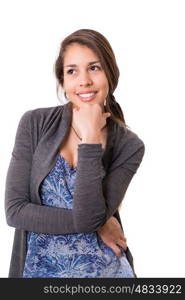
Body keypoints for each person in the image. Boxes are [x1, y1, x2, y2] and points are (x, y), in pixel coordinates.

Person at [5, 29, 145, 278]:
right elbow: (15, 211)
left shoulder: (129, 145)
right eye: (72, 71)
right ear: (62, 80)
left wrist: (90, 138)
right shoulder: (35, 123)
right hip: (36, 273)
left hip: (104, 273)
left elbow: (88, 219)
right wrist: (99, 222)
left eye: (94, 68)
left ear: (111, 74)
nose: (84, 81)